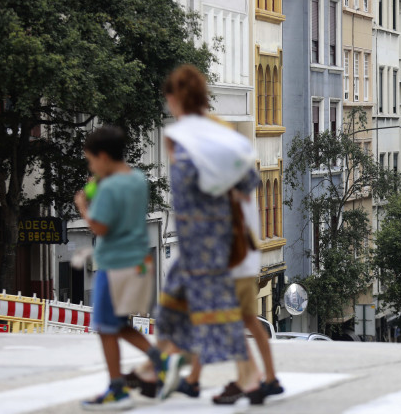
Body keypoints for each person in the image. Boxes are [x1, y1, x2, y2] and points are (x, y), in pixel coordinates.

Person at [151, 64, 262, 402]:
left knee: (210, 313)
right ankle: (165, 371)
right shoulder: (219, 134)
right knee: (195, 309)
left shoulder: (182, 140)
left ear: (174, 99)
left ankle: (247, 380)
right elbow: (248, 182)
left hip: (202, 243)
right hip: (214, 238)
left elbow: (192, 191)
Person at [74, 126, 171, 411]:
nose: (91, 166)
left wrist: (83, 206)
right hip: (138, 261)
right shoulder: (138, 179)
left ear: (103, 157)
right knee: (117, 324)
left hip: (114, 263)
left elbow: (100, 226)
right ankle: (161, 359)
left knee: (105, 327)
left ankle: (117, 389)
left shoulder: (108, 187)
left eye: (91, 160)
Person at [178, 198, 285, 404]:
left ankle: (253, 379)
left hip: (233, 269)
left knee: (230, 323)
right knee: (230, 323)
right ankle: (261, 378)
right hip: (238, 267)